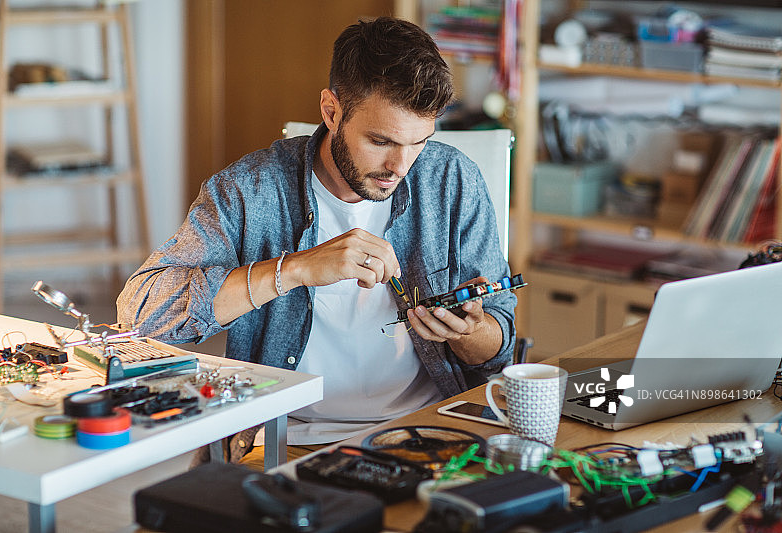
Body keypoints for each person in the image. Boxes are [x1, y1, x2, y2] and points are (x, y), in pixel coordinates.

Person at [116, 16, 517, 467]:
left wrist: (470, 331)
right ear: (331, 111)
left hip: (428, 431)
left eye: (419, 142)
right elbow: (141, 314)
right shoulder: (249, 190)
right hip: (286, 439)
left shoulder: (452, 179)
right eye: (380, 141)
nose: (400, 166)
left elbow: (498, 347)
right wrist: (294, 269)